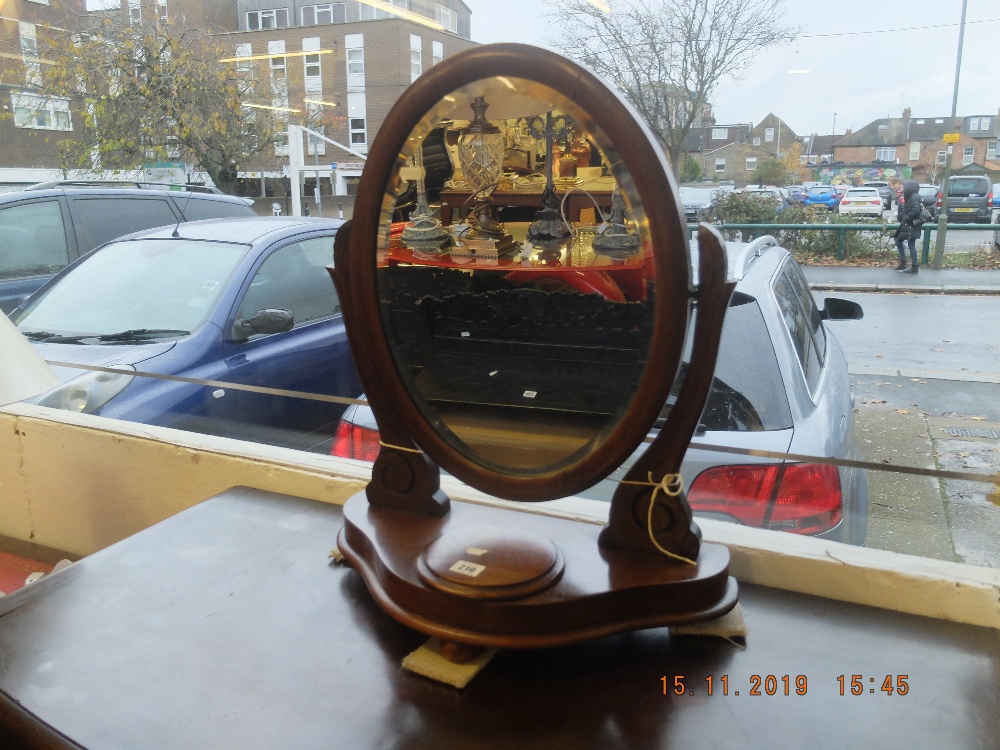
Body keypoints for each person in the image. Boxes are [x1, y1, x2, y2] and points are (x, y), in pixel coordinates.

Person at [894, 180, 922, 273]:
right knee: (899, 241)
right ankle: (904, 263)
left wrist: (906, 217)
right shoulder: (912, 196)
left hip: (910, 224)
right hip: (908, 224)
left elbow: (916, 210)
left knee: (910, 244)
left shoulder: (913, 196)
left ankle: (913, 266)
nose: (904, 188)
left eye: (905, 186)